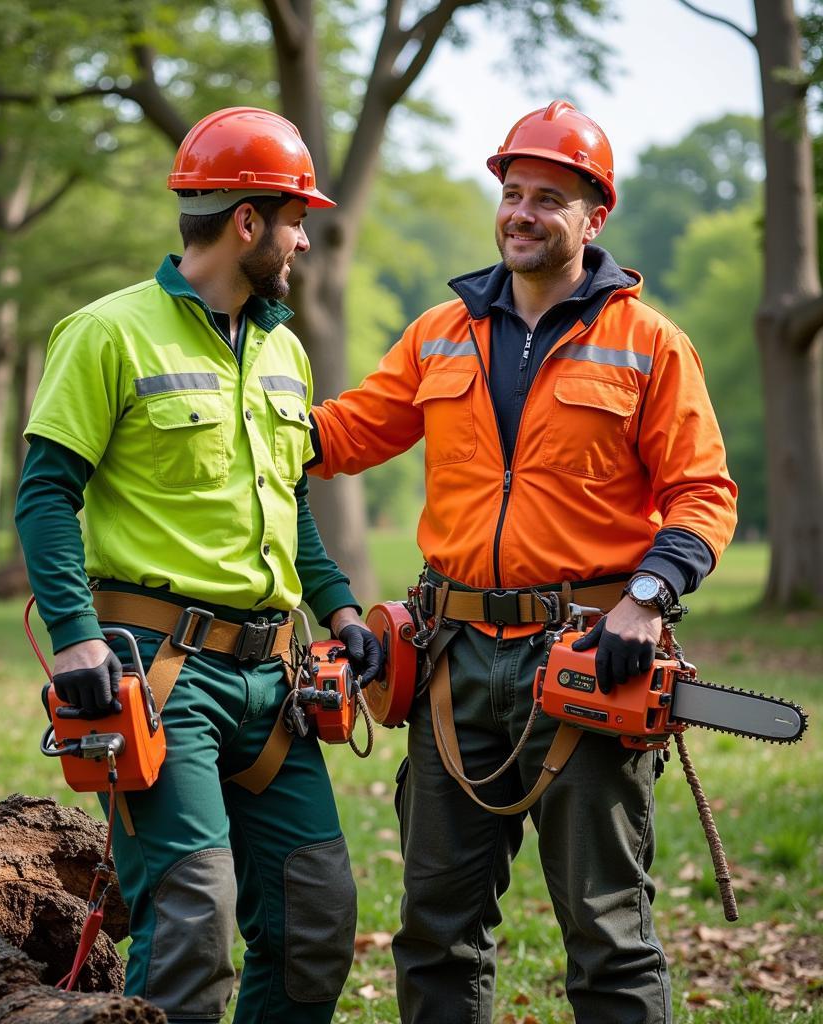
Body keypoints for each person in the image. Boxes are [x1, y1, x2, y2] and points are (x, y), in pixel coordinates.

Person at [307, 100, 738, 1024]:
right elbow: (341, 434)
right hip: (451, 661)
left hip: (589, 659)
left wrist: (648, 602)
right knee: (434, 933)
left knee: (609, 936)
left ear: (595, 217)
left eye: (549, 197)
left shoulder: (649, 342)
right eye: (512, 193)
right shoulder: (439, 332)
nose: (523, 212)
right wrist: (247, 416)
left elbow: (705, 494)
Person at [16, 106, 381, 1024]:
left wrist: (339, 613)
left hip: (274, 678)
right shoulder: (106, 334)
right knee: (191, 917)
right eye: (295, 218)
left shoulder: (285, 350)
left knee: (317, 915)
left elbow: (288, 506)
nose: (304, 240)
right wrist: (73, 640)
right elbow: (44, 494)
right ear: (247, 221)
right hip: (156, 669)